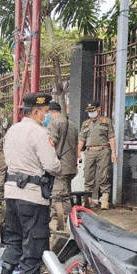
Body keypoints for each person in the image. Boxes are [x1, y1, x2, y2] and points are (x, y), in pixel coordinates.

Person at [0, 93, 61, 274]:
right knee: (35, 240)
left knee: (14, 237)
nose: (47, 115)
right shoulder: (39, 133)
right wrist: (58, 165)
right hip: (32, 196)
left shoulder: (12, 130)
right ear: (35, 111)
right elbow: (52, 166)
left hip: (11, 193)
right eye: (45, 112)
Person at [76, 100, 117, 210]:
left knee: (104, 175)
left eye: (93, 110)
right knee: (88, 175)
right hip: (89, 152)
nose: (91, 113)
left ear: (99, 109)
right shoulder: (85, 124)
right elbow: (81, 140)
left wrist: (114, 152)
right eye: (89, 111)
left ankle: (104, 200)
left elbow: (111, 138)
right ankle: (87, 201)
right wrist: (78, 152)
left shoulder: (106, 122)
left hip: (103, 151)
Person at [47, 101, 79, 236]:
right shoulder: (72, 124)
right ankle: (67, 222)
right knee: (66, 193)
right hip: (71, 165)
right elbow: (77, 145)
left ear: (51, 112)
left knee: (59, 196)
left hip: (61, 166)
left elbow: (51, 143)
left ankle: (62, 223)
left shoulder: (54, 123)